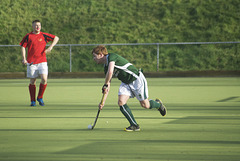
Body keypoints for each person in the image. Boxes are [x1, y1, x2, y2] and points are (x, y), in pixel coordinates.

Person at [92, 45, 167, 132]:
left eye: (95, 56)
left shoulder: (112, 57)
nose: (94, 59)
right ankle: (134, 125)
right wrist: (103, 102)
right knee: (121, 102)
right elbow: (108, 84)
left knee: (145, 105)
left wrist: (105, 84)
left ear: (101, 54)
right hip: (126, 83)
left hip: (136, 79)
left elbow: (111, 71)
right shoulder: (105, 68)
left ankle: (158, 105)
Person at [20, 20, 59, 106]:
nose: (38, 27)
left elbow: (56, 38)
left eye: (39, 25)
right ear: (32, 26)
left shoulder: (44, 35)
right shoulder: (28, 36)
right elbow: (23, 46)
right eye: (36, 25)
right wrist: (24, 58)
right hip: (32, 62)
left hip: (42, 61)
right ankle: (32, 100)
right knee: (32, 81)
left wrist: (50, 47)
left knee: (44, 79)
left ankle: (40, 97)